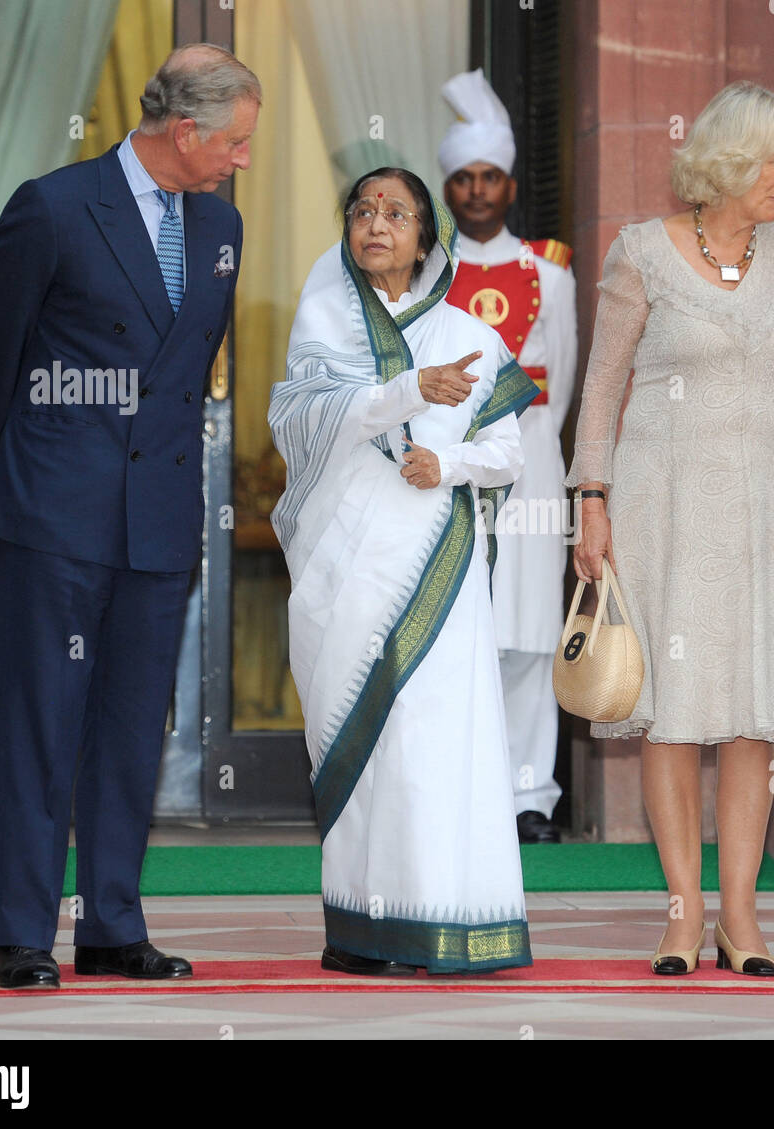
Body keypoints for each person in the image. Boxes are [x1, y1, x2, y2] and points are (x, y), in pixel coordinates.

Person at [0, 45, 260, 988]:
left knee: (133, 727)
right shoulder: (52, 206)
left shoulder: (220, 223)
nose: (242, 159)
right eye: (236, 141)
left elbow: (192, 366)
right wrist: (51, 461)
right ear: (185, 132)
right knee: (43, 723)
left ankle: (111, 926)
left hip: (160, 518)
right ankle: (22, 932)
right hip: (57, 509)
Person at [568, 82, 774, 975]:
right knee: (673, 715)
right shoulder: (640, 253)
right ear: (733, 160)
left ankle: (741, 915)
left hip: (764, 507)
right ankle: (681, 912)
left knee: (750, 714)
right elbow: (603, 387)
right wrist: (591, 500)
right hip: (665, 506)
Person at [268, 167, 539, 975]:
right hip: (341, 565)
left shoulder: (473, 333)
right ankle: (363, 930)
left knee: (430, 738)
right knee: (367, 736)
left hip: (436, 568)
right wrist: (406, 390)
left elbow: (506, 454)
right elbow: (303, 419)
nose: (376, 224)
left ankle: (445, 921)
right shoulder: (325, 322)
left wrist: (447, 463)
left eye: (396, 213)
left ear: (428, 235)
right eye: (362, 210)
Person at [439, 69, 578, 844]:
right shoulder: (430, 273)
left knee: (527, 630)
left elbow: (560, 380)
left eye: (490, 177)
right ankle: (465, 787)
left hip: (530, 468)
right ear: (449, 187)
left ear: (511, 184)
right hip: (454, 471)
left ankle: (531, 793)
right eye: (464, 178)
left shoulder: (551, 273)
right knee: (462, 631)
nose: (479, 191)